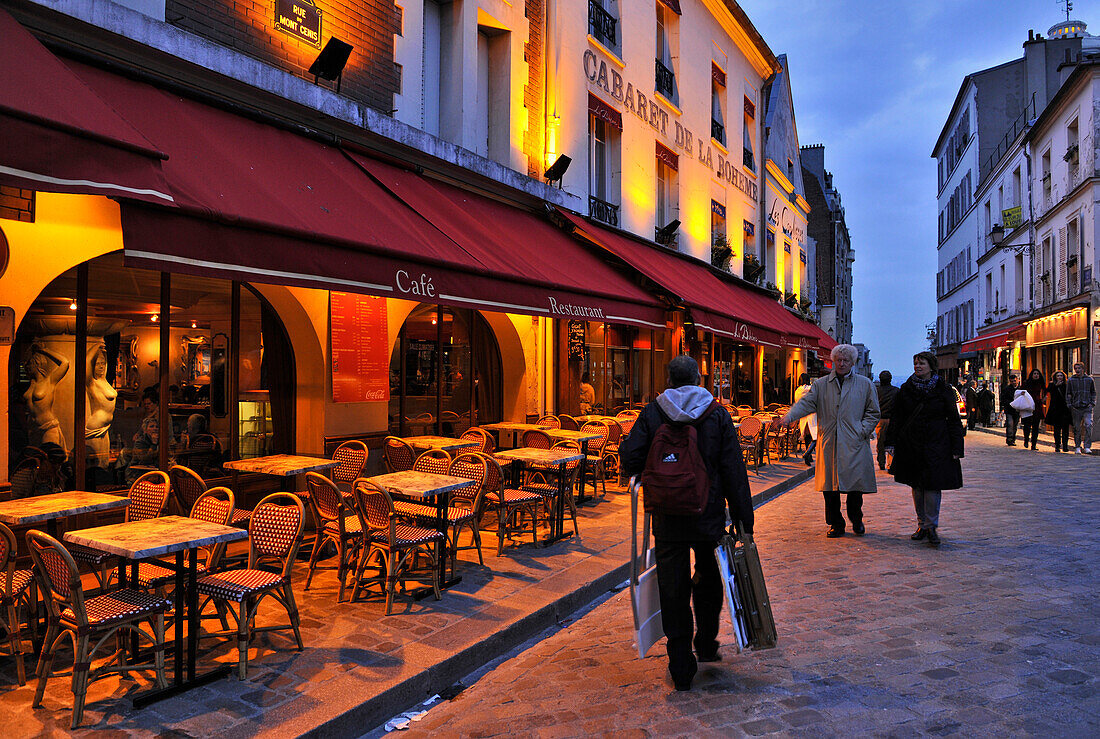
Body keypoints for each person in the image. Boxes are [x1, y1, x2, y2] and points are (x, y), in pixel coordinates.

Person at [620, 355, 753, 692]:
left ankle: (680, 664)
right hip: (707, 513)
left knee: (673, 586)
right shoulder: (717, 413)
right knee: (708, 577)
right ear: (697, 377)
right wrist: (742, 517)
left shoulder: (653, 411)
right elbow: (733, 469)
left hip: (667, 515)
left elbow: (630, 456)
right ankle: (706, 643)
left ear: (670, 378)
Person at [782, 344, 880, 538]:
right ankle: (836, 523)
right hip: (830, 442)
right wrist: (789, 417)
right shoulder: (821, 385)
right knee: (830, 488)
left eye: (846, 360)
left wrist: (862, 430)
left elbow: (873, 412)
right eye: (838, 360)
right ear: (833, 361)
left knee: (855, 488)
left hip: (854, 443)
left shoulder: (865, 384)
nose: (842, 364)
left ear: (853, 362)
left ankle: (856, 518)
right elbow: (806, 404)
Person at [883, 351, 964, 548]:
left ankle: (931, 526)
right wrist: (891, 443)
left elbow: (954, 419)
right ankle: (922, 524)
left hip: (937, 442)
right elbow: (897, 417)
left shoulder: (943, 389)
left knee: (933, 485)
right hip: (912, 443)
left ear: (931, 366)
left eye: (922, 363)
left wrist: (956, 446)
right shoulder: (906, 389)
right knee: (917, 485)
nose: (918, 366)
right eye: (916, 363)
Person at [23, 342, 70, 450]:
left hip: (48, 426)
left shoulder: (49, 381)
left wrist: (44, 351)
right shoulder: (31, 383)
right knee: (36, 459)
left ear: (38, 364)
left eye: (31, 364)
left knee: (49, 458)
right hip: (33, 429)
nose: (28, 367)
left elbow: (65, 362)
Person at [85, 346, 117, 468]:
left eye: (103, 363)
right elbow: (86, 362)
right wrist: (95, 347)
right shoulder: (92, 383)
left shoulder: (105, 382)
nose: (101, 366)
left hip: (105, 428)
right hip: (95, 427)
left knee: (104, 464)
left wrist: (103, 352)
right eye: (98, 364)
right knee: (95, 465)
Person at [1067, 362, 1095, 454]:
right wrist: (1069, 404)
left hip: (1087, 407)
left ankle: (1087, 446)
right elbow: (1068, 393)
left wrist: (1092, 403)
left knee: (1088, 425)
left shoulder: (1089, 379)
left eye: (1079, 368)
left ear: (1083, 369)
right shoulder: (1071, 380)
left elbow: (1093, 392)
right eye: (1076, 368)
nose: (1077, 370)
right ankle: (1077, 446)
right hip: (1076, 407)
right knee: (1077, 428)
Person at [876, 370, 899, 471]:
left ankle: (882, 462)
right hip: (894, 420)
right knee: (893, 443)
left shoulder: (876, 391)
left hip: (880, 421)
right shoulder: (896, 391)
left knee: (880, 443)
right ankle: (891, 464)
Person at [1045, 371, 1071, 453]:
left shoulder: (1066, 385)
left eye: (1061, 376)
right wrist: (1056, 386)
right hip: (1055, 409)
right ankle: (1057, 445)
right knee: (1057, 429)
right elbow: (1048, 391)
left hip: (1065, 409)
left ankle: (1065, 445)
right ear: (1055, 377)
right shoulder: (1052, 385)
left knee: (1065, 429)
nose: (1059, 377)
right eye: (1058, 376)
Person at [793, 373, 816, 466]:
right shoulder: (811, 389)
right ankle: (807, 454)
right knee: (815, 436)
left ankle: (808, 455)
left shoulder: (798, 390)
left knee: (806, 436)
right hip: (812, 414)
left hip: (803, 415)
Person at [1021, 369, 1046, 450]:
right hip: (1028, 405)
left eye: (1037, 374)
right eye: (1034, 374)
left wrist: (1044, 399)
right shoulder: (1026, 383)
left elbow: (1045, 392)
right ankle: (1026, 440)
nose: (1036, 375)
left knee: (1036, 426)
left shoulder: (1041, 383)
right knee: (1027, 425)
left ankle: (1034, 444)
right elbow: (1021, 391)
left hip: (1037, 405)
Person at [1000, 374, 1020, 445]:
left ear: (1017, 380)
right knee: (1010, 424)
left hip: (1017, 410)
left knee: (1015, 425)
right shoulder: (1007, 389)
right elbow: (1003, 399)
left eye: (1014, 381)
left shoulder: (1021, 389)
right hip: (1009, 410)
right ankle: (1009, 439)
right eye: (1012, 381)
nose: (1013, 382)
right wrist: (1009, 404)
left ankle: (1013, 438)